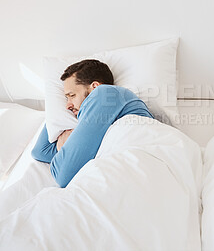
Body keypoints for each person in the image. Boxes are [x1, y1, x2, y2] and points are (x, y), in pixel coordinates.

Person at [32, 59, 154, 187]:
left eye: (72, 95)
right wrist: (55, 110)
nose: (67, 105)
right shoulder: (99, 118)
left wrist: (63, 146)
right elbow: (40, 151)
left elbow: (63, 175)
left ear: (95, 87)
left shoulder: (106, 94)